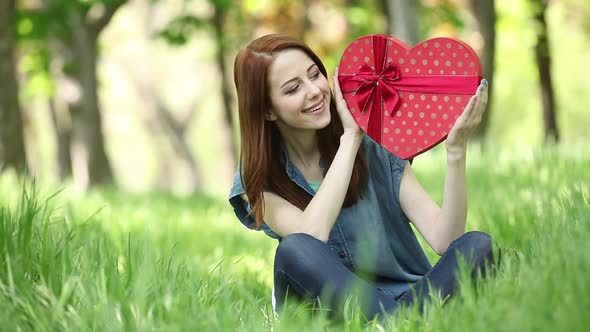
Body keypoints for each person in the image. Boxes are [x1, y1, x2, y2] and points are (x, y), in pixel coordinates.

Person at [228, 34, 497, 320]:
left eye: (315, 75)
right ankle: (403, 321)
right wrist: (351, 138)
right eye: (293, 89)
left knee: (477, 245)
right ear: (267, 110)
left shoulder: (376, 146)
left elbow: (446, 239)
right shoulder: (257, 179)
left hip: (409, 296)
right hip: (329, 313)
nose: (315, 91)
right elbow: (312, 235)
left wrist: (456, 152)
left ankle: (395, 320)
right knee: (295, 249)